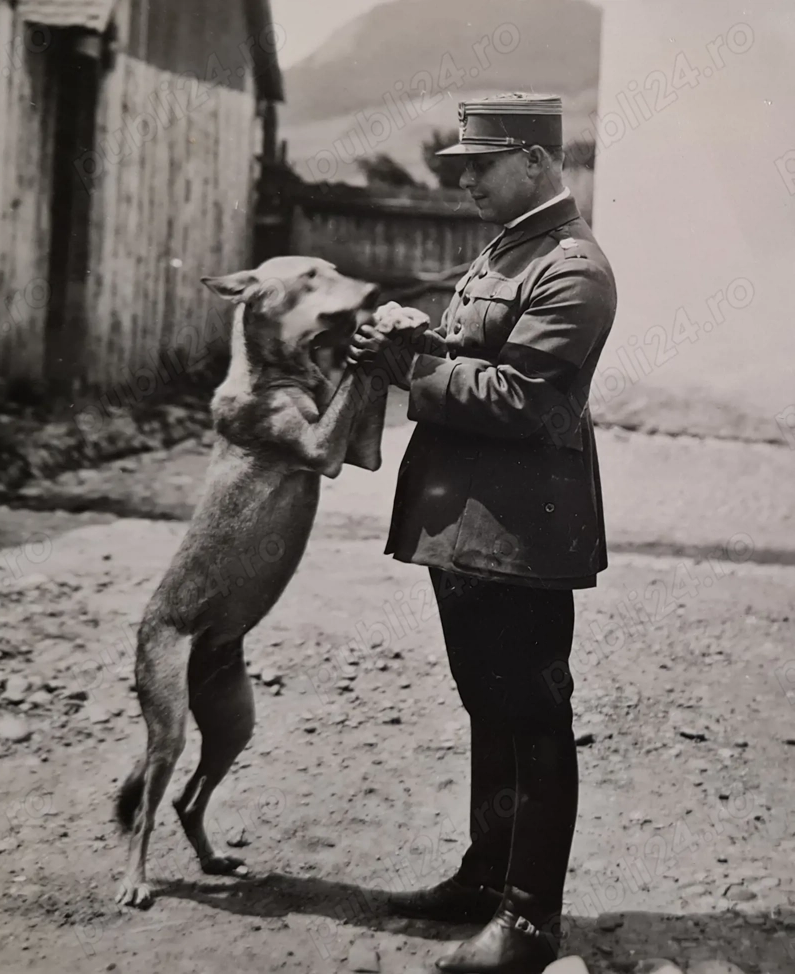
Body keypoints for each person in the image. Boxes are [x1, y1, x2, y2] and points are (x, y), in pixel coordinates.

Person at [348, 93, 617, 974]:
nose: (465, 181)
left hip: (523, 535)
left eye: (482, 164)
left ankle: (532, 922)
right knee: (490, 707)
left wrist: (410, 367)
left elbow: (522, 398)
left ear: (539, 162)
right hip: (468, 529)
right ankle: (484, 877)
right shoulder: (512, 251)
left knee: (534, 717)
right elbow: (480, 357)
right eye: (461, 167)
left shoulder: (573, 267)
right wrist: (413, 341)